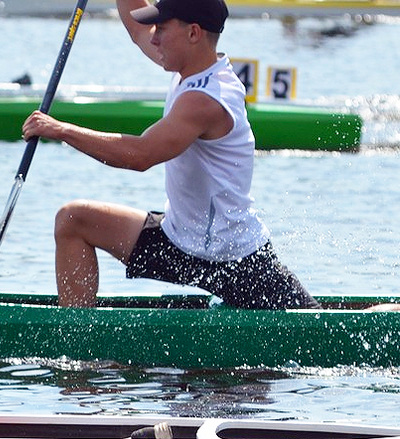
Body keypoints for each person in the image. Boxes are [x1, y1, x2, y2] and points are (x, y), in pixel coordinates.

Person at [21, 0, 318, 309]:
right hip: (179, 240)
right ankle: (77, 341)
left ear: (193, 33)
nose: (154, 38)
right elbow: (138, 30)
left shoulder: (207, 99)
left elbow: (140, 155)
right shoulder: (188, 65)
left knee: (315, 332)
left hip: (235, 260)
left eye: (162, 29)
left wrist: (60, 130)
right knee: (72, 220)